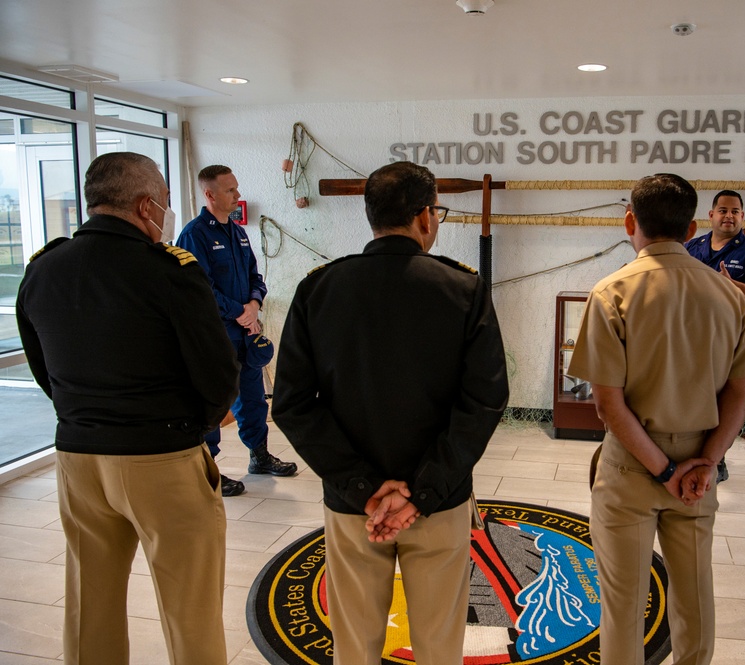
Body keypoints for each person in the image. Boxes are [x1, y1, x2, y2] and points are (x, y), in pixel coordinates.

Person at [272, 161, 509, 665]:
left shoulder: (319, 289)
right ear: (426, 217)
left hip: (353, 503)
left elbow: (292, 404)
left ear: (371, 218)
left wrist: (362, 487)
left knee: (354, 645)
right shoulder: (463, 289)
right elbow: (483, 401)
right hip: (439, 500)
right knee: (439, 643)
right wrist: (421, 492)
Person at [15, 152, 240, 664]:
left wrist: (84, 414)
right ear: (144, 205)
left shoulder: (44, 269)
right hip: (161, 460)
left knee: (88, 603)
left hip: (78, 460)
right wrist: (201, 421)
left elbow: (43, 368)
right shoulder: (170, 272)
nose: (163, 215)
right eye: (162, 203)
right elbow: (216, 370)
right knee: (191, 609)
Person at [568, 173, 745, 665]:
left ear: (630, 221)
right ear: (693, 225)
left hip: (633, 463)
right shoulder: (730, 295)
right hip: (699, 468)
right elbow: (741, 391)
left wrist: (663, 471)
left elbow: (609, 405)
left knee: (624, 604)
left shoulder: (612, 293)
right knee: (694, 599)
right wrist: (704, 463)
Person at [176, 165, 296, 497]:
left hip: (246, 332)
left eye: (237, 188)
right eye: (230, 190)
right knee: (216, 402)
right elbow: (198, 290)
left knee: (254, 399)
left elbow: (256, 278)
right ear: (209, 194)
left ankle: (259, 456)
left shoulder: (238, 232)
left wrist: (254, 305)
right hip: (217, 336)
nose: (238, 195)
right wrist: (240, 313)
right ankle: (208, 471)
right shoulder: (194, 235)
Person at [685, 189, 745, 481]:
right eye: (723, 210)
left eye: (735, 211)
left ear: (742, 217)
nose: (729, 216)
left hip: (728, 342)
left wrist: (732, 285)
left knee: (723, 401)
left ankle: (716, 459)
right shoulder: (692, 247)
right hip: (690, 338)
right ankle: (690, 452)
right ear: (711, 215)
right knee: (694, 398)